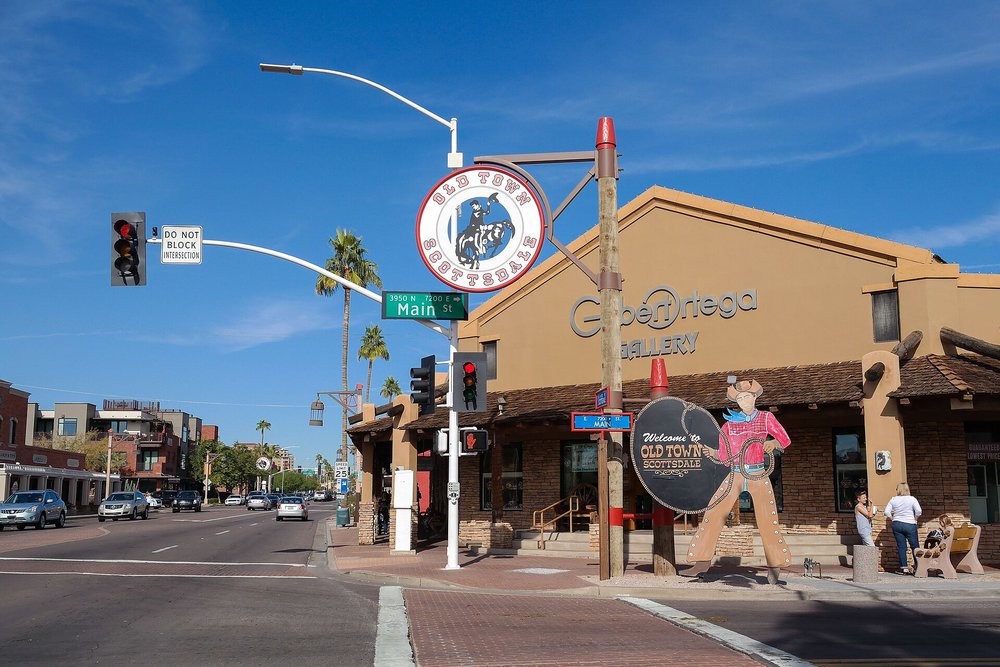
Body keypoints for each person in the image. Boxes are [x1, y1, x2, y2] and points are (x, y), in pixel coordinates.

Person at [687, 379, 792, 584]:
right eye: (741, 398)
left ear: (755, 398)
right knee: (713, 511)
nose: (744, 400)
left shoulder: (766, 417)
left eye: (748, 397)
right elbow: (725, 456)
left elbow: (785, 439)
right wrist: (713, 453)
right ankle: (701, 561)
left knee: (767, 518)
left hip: (758, 473)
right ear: (737, 401)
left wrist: (773, 442)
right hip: (734, 473)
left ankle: (775, 564)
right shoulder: (729, 424)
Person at [884, 482, 922, 574]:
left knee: (901, 547)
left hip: (897, 524)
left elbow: (886, 512)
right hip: (910, 524)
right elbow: (918, 511)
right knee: (915, 546)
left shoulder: (893, 499)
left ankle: (904, 568)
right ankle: (918, 566)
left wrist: (893, 519)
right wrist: (915, 518)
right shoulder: (912, 499)